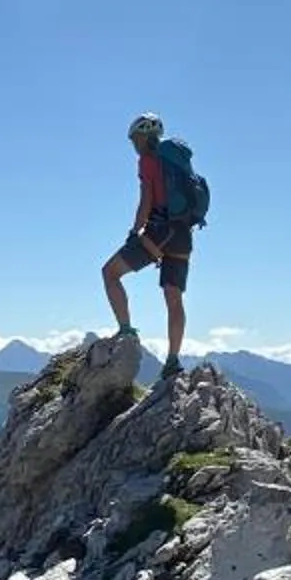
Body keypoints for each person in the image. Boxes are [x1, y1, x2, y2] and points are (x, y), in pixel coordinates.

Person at [102, 112, 192, 382]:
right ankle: (173, 360)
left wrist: (134, 232)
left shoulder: (148, 161)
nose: (133, 145)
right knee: (174, 299)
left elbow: (146, 202)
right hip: (183, 235)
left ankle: (126, 330)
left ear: (144, 137)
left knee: (110, 272)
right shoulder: (179, 162)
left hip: (159, 231)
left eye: (134, 139)